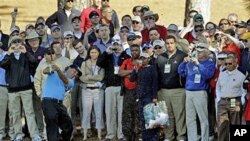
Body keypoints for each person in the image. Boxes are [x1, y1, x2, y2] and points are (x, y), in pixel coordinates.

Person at [0, 36, 41, 141]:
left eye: (19, 42)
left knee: (30, 113)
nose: (17, 44)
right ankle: (18, 134)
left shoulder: (25, 55)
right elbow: (2, 64)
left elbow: (34, 62)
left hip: (26, 89)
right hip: (12, 91)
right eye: (14, 42)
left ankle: (34, 135)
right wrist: (9, 53)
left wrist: (26, 52)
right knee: (15, 114)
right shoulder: (8, 57)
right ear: (10, 45)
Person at [41, 47, 81, 141]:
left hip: (59, 104)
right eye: (74, 71)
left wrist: (58, 70)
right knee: (52, 125)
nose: (75, 74)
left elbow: (65, 80)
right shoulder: (54, 72)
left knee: (68, 126)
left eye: (76, 74)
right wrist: (51, 69)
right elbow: (45, 71)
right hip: (48, 102)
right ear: (69, 68)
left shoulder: (71, 82)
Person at [178, 42, 215, 141]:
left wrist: (198, 64)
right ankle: (192, 139)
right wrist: (183, 62)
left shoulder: (209, 62)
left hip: (200, 92)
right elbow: (181, 72)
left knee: (203, 118)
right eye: (197, 51)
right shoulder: (190, 62)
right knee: (190, 119)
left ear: (206, 51)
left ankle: (205, 139)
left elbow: (209, 75)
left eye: (200, 51)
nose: (198, 53)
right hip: (189, 91)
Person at [97, 39, 130, 141]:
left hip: (122, 86)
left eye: (118, 44)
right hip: (110, 86)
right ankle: (110, 135)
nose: (116, 47)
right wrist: (107, 52)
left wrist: (123, 51)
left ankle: (121, 135)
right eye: (114, 44)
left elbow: (129, 62)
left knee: (121, 112)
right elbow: (99, 63)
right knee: (110, 111)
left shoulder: (125, 57)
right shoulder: (108, 56)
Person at [157, 35, 187, 141]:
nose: (169, 45)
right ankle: (169, 136)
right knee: (166, 115)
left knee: (179, 114)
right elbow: (157, 75)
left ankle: (181, 136)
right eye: (167, 43)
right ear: (165, 45)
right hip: (163, 91)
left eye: (171, 43)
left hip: (178, 90)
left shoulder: (182, 56)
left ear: (175, 43)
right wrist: (156, 92)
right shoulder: (160, 57)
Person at [216, 53, 246, 141]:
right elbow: (218, 88)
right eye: (226, 64)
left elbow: (244, 91)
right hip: (223, 101)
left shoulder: (241, 75)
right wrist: (219, 100)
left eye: (230, 63)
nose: (228, 65)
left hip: (234, 101)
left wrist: (241, 102)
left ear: (235, 63)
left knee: (235, 123)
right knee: (222, 125)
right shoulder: (222, 74)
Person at [129, 53, 159, 141]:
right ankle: (145, 137)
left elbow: (155, 83)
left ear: (148, 59)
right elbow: (132, 79)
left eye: (144, 58)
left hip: (149, 96)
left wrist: (155, 96)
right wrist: (135, 69)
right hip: (140, 96)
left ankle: (153, 137)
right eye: (141, 58)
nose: (143, 60)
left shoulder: (152, 68)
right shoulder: (139, 69)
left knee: (150, 117)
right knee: (142, 117)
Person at [80, 46, 104, 140]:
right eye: (92, 52)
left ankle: (99, 135)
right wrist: (93, 78)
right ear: (89, 53)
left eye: (95, 52)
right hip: (87, 90)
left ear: (98, 53)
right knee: (86, 112)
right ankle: (85, 136)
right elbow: (82, 77)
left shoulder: (101, 64)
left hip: (98, 90)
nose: (93, 54)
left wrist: (89, 77)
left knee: (99, 112)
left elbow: (101, 77)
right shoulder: (84, 63)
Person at [119, 44, 141, 141]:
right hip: (127, 92)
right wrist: (132, 71)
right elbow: (120, 72)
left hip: (138, 92)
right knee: (127, 115)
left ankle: (138, 136)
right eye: (133, 50)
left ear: (139, 51)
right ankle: (127, 136)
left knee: (138, 115)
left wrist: (127, 73)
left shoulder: (142, 61)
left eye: (136, 50)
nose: (134, 52)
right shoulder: (127, 61)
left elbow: (140, 74)